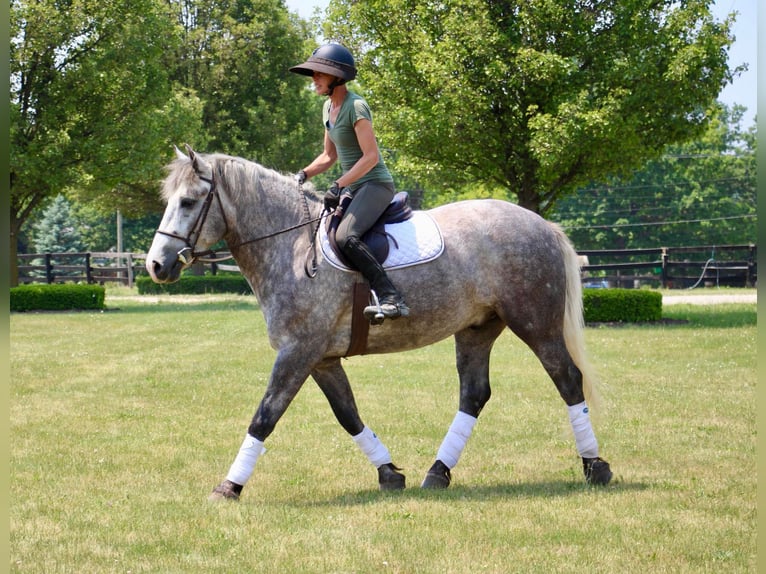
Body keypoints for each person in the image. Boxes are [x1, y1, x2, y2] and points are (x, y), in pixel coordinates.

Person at [289, 43, 410, 321]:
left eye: (319, 73)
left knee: (346, 236)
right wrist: (303, 174)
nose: (314, 79)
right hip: (354, 186)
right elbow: (328, 156)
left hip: (375, 184)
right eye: (313, 74)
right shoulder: (327, 108)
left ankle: (392, 297)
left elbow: (370, 157)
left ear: (337, 77)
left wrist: (339, 184)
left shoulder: (356, 106)